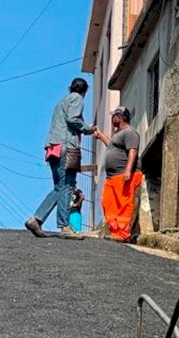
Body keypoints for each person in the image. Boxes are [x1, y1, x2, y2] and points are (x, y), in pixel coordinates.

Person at [25, 77, 94, 239]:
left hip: (54, 147)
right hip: (67, 146)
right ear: (84, 91)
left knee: (59, 187)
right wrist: (88, 129)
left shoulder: (60, 102)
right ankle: (64, 227)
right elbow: (73, 119)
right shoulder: (77, 99)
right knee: (67, 186)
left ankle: (37, 219)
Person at [93, 106, 142, 242]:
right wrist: (100, 135)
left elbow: (133, 151)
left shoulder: (130, 133)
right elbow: (111, 145)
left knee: (123, 204)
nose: (111, 118)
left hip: (123, 174)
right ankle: (115, 231)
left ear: (120, 117)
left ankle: (122, 233)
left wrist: (127, 170)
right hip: (112, 177)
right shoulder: (118, 134)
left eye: (113, 115)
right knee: (107, 202)